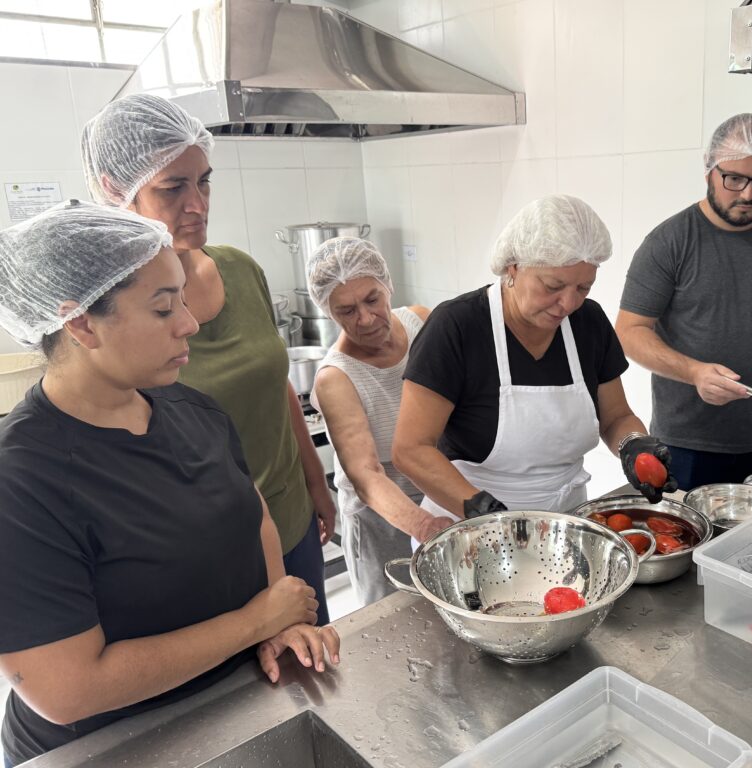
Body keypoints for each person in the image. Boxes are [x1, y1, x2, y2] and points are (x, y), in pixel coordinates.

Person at [0, 201, 340, 767]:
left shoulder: (191, 409)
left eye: (182, 297)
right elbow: (68, 690)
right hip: (113, 748)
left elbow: (250, 512)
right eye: (163, 309)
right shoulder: (22, 479)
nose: (190, 321)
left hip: (231, 713)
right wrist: (258, 620)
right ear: (81, 322)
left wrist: (276, 627)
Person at [81, 94, 336, 625]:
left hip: (291, 521)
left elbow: (276, 385)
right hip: (208, 554)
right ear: (115, 191)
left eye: (204, 181)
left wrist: (316, 482)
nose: (197, 203)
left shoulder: (241, 270)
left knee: (319, 679)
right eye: (173, 187)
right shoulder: (113, 313)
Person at [392, 194, 677, 534]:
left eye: (583, 287)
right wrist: (478, 507)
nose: (568, 303)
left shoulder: (589, 322)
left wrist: (632, 444)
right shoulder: (457, 326)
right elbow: (411, 449)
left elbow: (615, 417)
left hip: (565, 520)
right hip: (472, 523)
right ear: (513, 267)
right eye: (553, 286)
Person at [615, 113, 752, 490]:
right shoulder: (669, 242)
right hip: (685, 445)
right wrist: (694, 372)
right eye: (734, 178)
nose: (748, 194)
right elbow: (629, 331)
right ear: (709, 171)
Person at [307, 237, 451, 606]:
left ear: (387, 285)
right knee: (398, 632)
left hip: (445, 498)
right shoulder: (335, 378)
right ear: (328, 312)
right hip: (383, 525)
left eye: (372, 299)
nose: (366, 319)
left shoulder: (421, 321)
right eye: (347, 310)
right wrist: (423, 526)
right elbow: (367, 476)